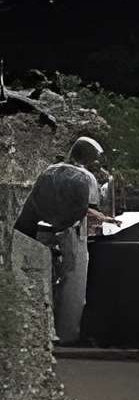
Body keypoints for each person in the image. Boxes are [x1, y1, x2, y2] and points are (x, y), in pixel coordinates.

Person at [14, 136, 113, 344]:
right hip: (71, 234)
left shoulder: (48, 171)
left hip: (42, 232)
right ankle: (68, 335)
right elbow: (84, 209)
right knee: (73, 287)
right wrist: (99, 218)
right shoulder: (86, 178)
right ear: (88, 157)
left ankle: (43, 333)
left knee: (44, 282)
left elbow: (33, 204)